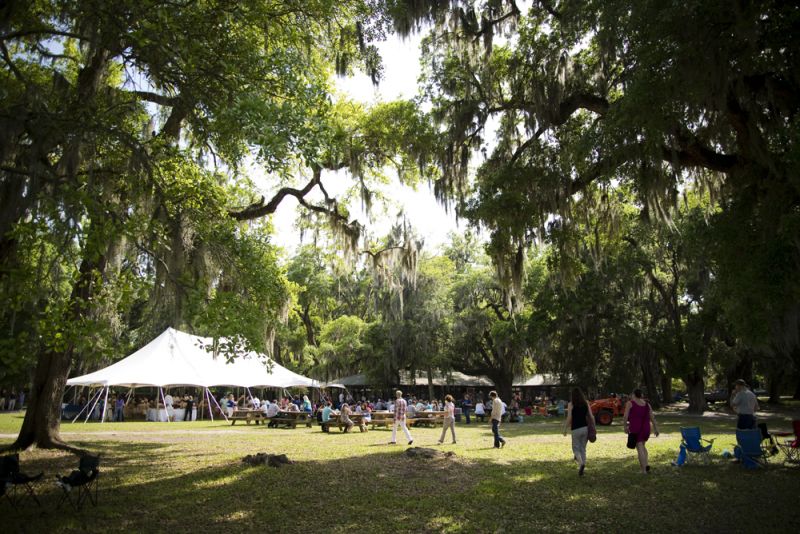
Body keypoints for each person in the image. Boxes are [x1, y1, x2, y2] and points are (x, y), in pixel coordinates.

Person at [623, 388, 659, 474]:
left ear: (634, 395)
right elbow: (652, 418)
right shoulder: (647, 405)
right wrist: (656, 428)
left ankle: (643, 470)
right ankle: (646, 465)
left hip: (636, 428)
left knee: (639, 448)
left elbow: (625, 416)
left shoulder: (630, 403)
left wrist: (625, 426)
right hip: (646, 428)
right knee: (642, 446)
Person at [563, 387, 594, 476]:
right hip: (585, 428)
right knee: (583, 449)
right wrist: (594, 427)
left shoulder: (571, 404)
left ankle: (581, 464)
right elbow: (591, 416)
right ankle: (582, 470)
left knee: (575, 448)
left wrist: (565, 428)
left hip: (575, 429)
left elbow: (569, 418)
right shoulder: (586, 403)